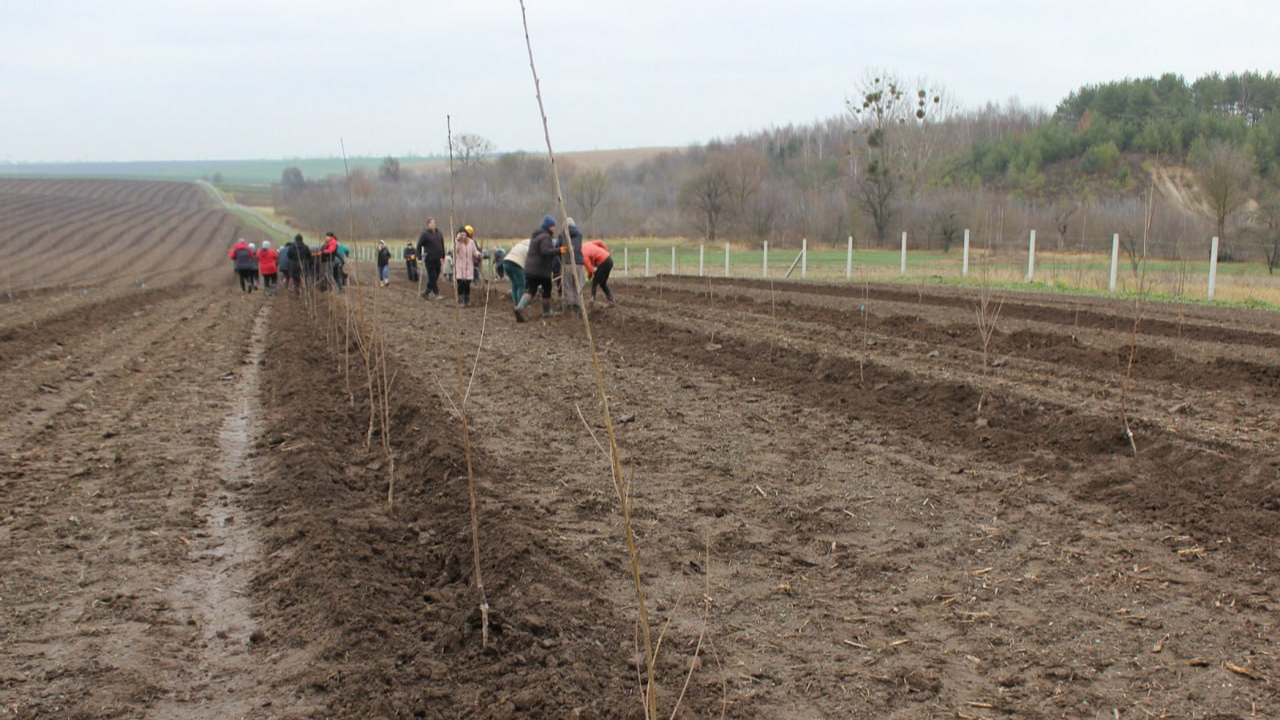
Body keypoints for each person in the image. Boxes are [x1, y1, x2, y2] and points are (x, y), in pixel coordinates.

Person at [515, 215, 559, 320]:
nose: (554, 228)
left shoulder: (536, 236)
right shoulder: (546, 237)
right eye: (553, 226)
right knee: (547, 289)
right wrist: (558, 250)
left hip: (530, 269)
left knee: (531, 290)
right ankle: (547, 312)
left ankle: (520, 307)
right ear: (549, 227)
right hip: (542, 270)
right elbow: (545, 252)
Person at [558, 217, 586, 313]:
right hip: (578, 263)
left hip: (567, 263)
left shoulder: (562, 235)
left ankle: (570, 306)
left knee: (568, 285)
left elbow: (558, 248)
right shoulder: (579, 235)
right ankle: (577, 307)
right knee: (578, 285)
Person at [416, 218, 446, 300]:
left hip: (437, 259)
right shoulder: (424, 234)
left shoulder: (439, 233)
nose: (433, 224)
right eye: (431, 223)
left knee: (436, 276)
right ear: (428, 224)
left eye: (434, 222)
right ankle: (437, 293)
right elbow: (418, 246)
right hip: (429, 259)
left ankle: (426, 292)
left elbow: (442, 245)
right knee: (432, 276)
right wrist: (419, 258)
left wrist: (443, 256)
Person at [501, 238, 530, 321]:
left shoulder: (518, 246)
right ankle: (520, 306)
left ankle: (515, 303)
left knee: (514, 284)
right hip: (517, 264)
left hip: (506, 263)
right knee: (521, 285)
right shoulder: (529, 248)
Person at [453, 225, 481, 307]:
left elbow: (475, 251)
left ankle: (467, 300)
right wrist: (458, 241)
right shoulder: (457, 243)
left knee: (467, 284)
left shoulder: (471, 242)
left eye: (464, 234)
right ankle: (461, 300)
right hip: (460, 266)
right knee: (461, 284)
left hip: (469, 266)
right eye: (461, 235)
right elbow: (454, 251)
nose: (463, 237)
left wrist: (479, 255)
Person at [582, 239, 616, 307]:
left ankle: (592, 299)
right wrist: (606, 251)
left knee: (594, 282)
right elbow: (599, 242)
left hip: (602, 262)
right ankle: (611, 299)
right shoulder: (587, 243)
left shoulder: (583, 256)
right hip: (609, 260)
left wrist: (588, 278)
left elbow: (590, 270)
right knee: (602, 283)